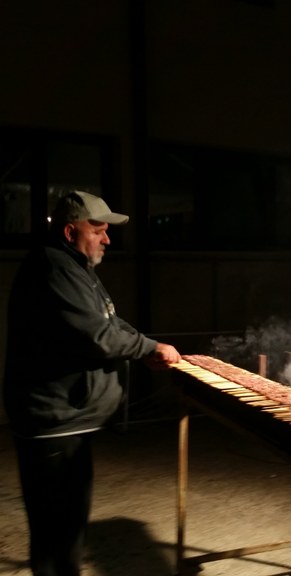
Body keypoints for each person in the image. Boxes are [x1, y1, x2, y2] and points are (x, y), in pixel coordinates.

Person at [2, 191, 182, 576]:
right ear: (71, 232)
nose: (107, 239)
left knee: (68, 529)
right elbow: (95, 335)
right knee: (57, 533)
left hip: (69, 421)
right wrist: (149, 347)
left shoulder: (74, 267)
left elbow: (110, 322)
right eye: (98, 230)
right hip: (54, 423)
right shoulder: (54, 269)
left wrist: (145, 346)